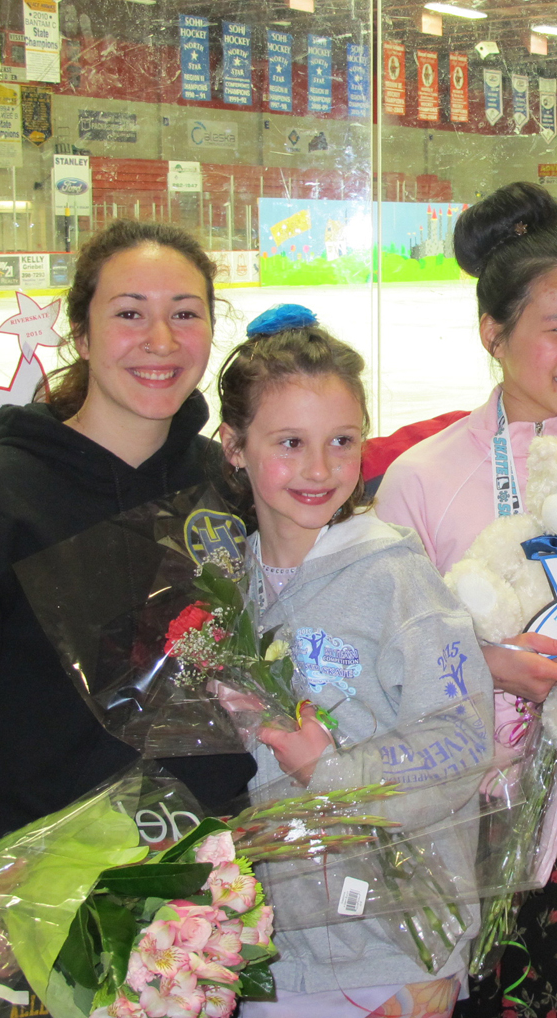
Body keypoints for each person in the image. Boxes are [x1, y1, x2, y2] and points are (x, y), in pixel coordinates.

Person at [0, 220, 256, 959]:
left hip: (211, 909)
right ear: (80, 330)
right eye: (130, 312)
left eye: (186, 313)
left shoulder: (232, 488)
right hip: (38, 908)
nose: (161, 341)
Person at [372, 183, 557, 1018]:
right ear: (494, 334)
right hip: (455, 819)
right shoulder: (424, 479)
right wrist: (489, 667)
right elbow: (382, 666)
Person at [215, 304, 492, 1018]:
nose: (319, 469)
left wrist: (333, 773)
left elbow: (462, 740)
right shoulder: (220, 591)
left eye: (341, 441)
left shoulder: (397, 579)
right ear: (234, 446)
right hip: (272, 953)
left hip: (393, 954)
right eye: (289, 443)